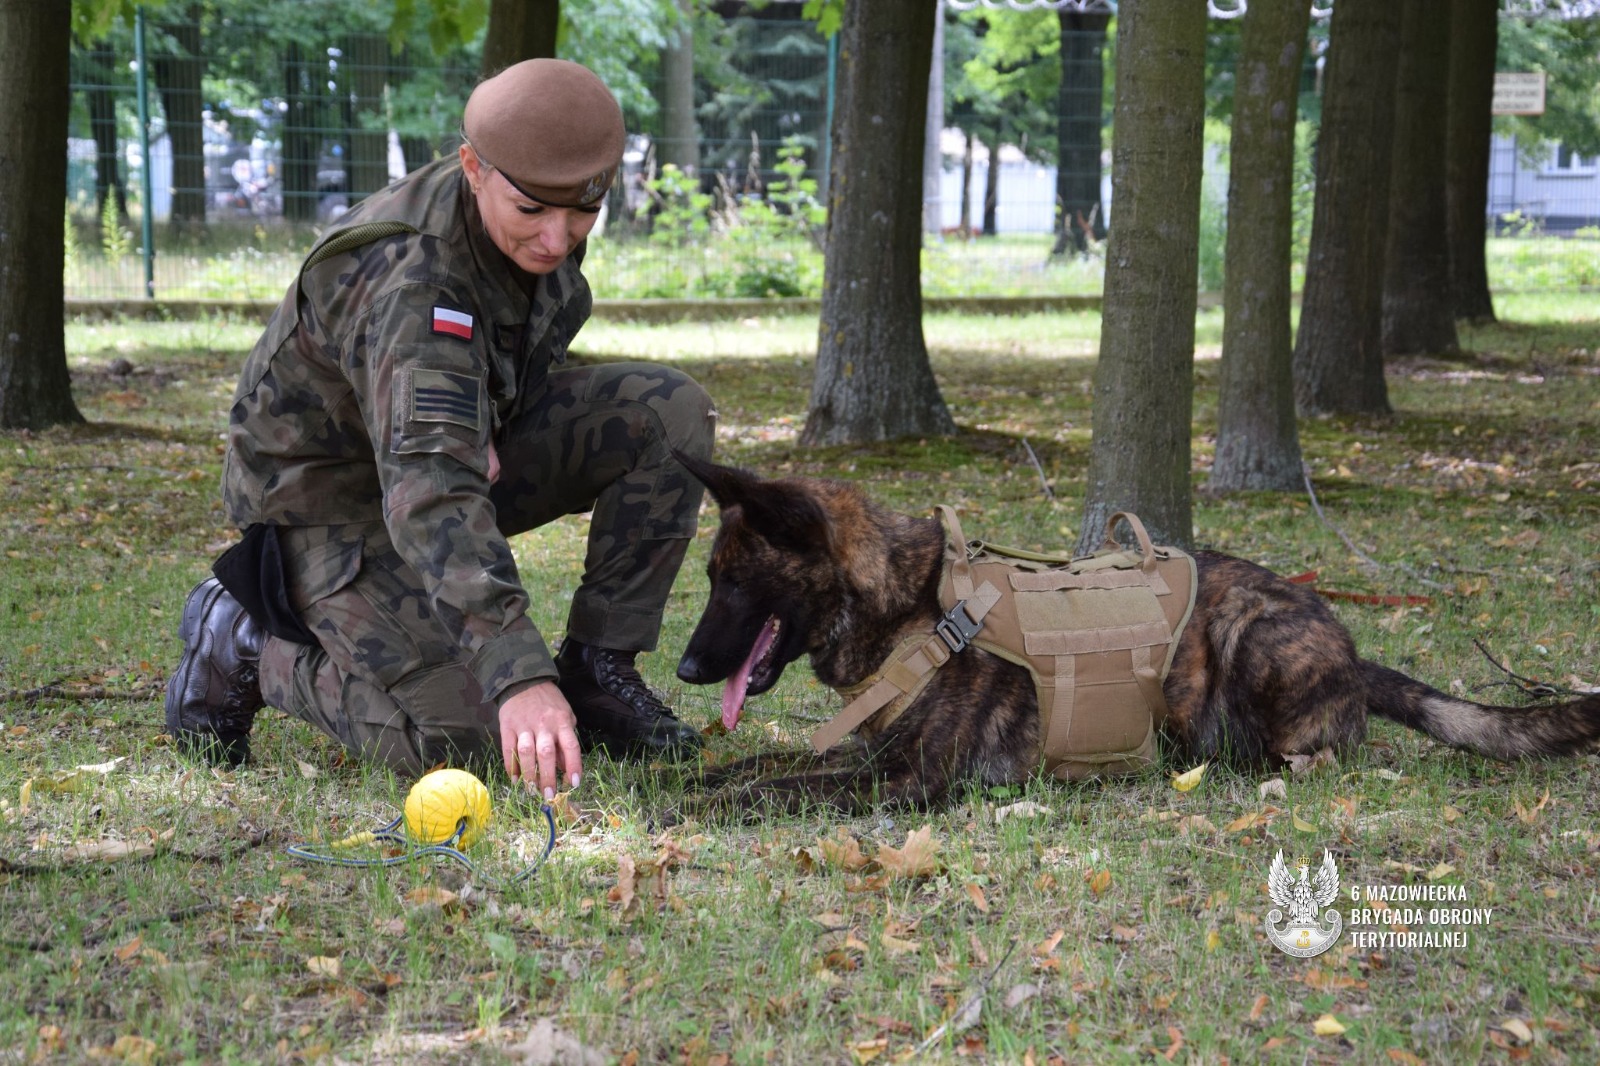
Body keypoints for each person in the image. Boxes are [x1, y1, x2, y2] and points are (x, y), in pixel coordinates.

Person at [164, 59, 716, 800]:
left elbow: (497, 365)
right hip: (328, 505)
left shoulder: (533, 199)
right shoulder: (414, 276)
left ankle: (598, 674)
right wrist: (518, 672)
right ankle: (249, 642)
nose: (557, 240)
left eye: (583, 211)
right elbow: (433, 494)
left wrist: (481, 410)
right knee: (468, 744)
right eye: (533, 212)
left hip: (436, 456)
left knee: (667, 413)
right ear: (472, 167)